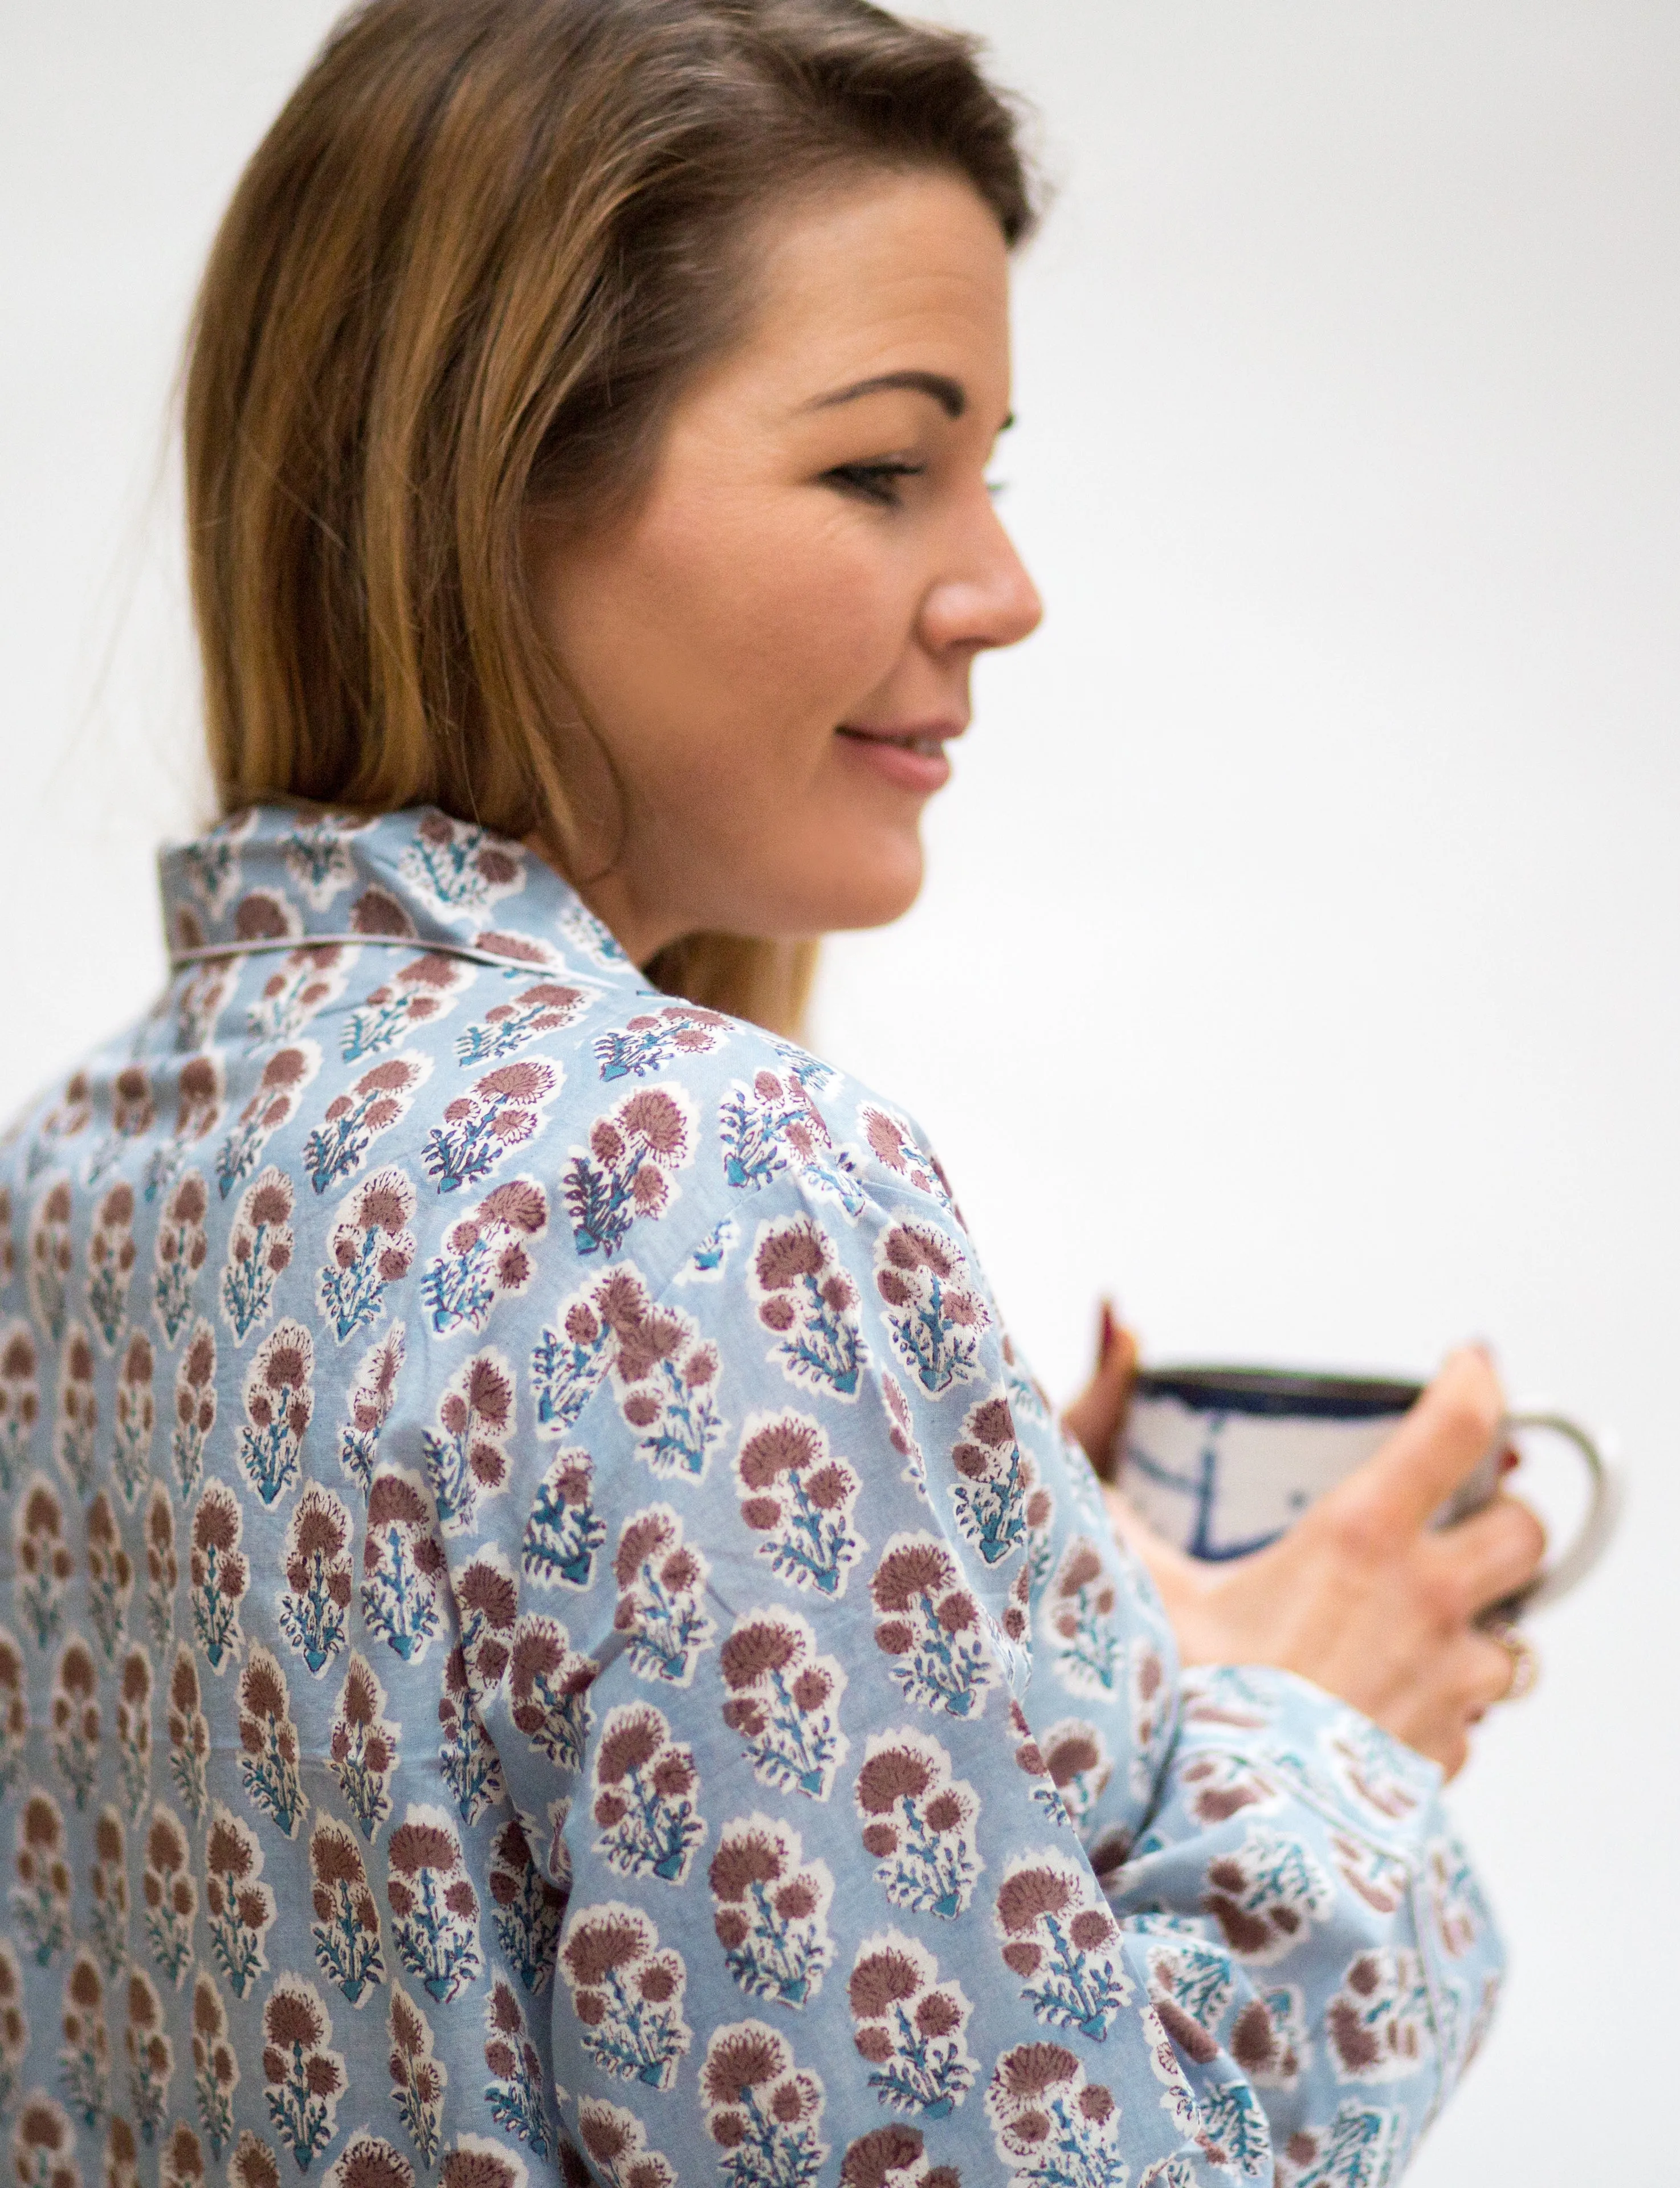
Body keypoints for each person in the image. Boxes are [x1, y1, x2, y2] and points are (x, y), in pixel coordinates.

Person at [0, 3, 1547, 2183]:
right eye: (879, 467)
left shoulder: (62, 1184)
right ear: (493, 483)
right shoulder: (702, 1192)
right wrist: (1333, 1752)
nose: (1003, 590)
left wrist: (1015, 1595)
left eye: (993, 469)